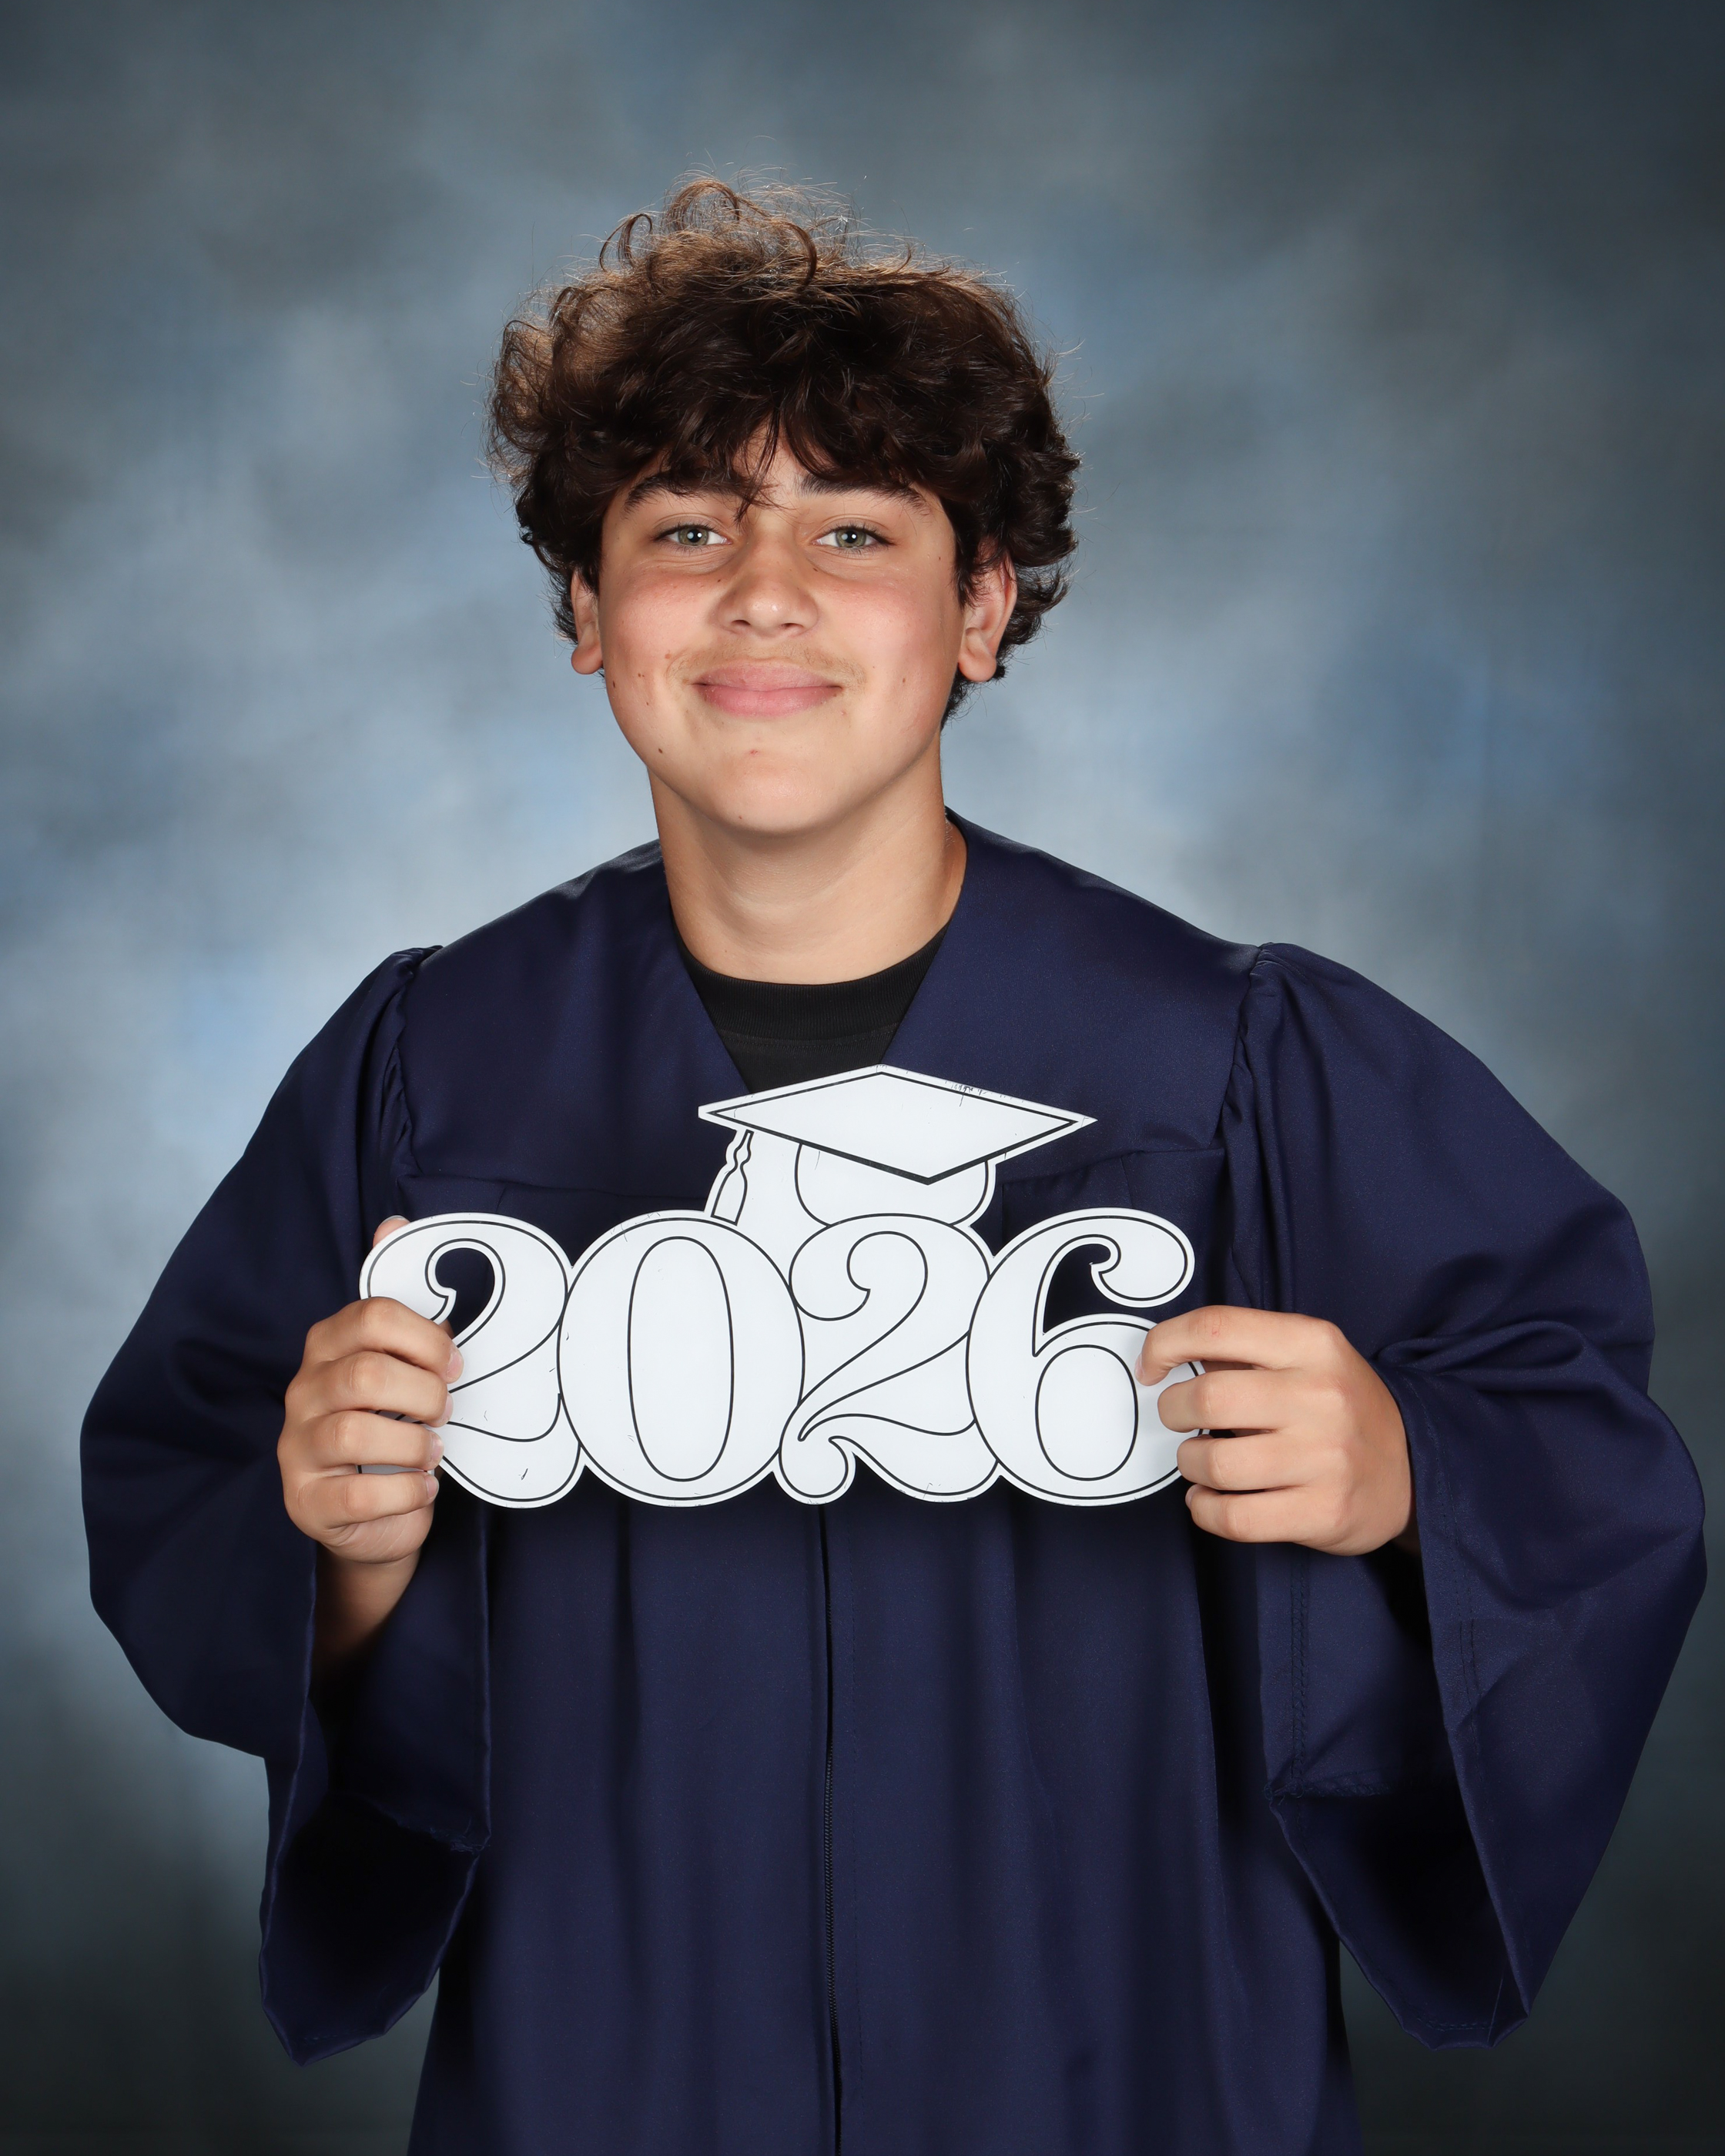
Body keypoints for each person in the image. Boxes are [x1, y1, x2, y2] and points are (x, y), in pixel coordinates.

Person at [82, 182, 1703, 2156]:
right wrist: (337, 1552)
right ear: (586, 611)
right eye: (686, 528)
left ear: (983, 610)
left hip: (1123, 2049)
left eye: (855, 530)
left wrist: (1402, 1475)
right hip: (617, 2060)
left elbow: (1580, 1434)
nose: (764, 592)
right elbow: (181, 1472)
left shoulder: (1235, 1061)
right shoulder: (434, 1066)